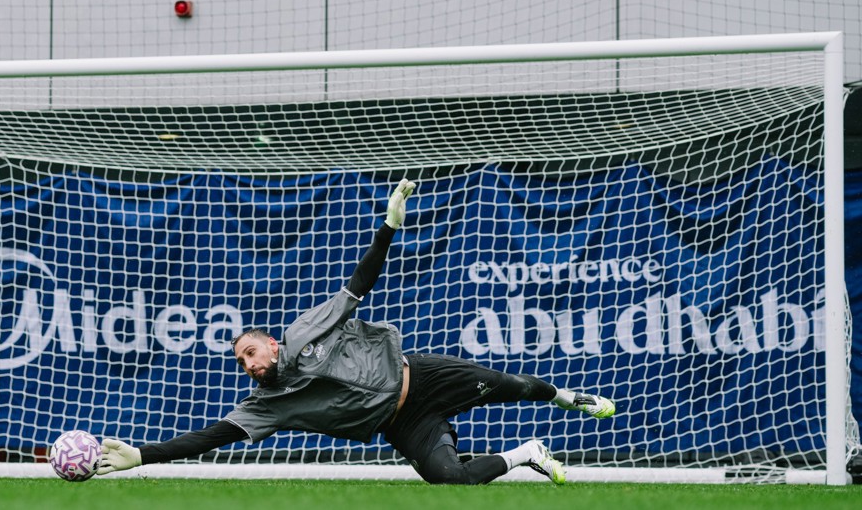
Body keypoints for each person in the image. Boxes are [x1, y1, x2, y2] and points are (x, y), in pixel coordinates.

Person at [97, 179, 615, 485]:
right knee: (447, 478)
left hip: (423, 376)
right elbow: (209, 438)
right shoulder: (264, 406)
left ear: (272, 343)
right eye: (242, 362)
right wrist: (143, 455)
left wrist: (389, 225)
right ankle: (529, 455)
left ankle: (570, 397)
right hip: (400, 422)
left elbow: (360, 282)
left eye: (252, 350)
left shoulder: (304, 331)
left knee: (517, 388)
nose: (251, 363)